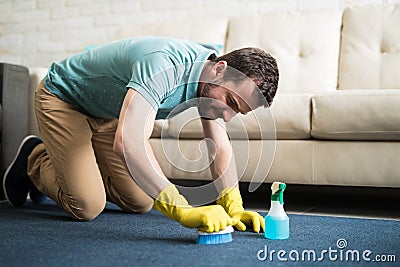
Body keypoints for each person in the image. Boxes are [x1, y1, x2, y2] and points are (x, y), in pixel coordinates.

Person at [3, 37, 279, 233]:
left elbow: (219, 146)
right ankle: (35, 159)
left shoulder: (209, 84)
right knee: (87, 205)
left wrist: (234, 205)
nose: (227, 116)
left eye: (238, 112)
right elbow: (128, 141)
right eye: (230, 102)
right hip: (64, 99)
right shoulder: (164, 65)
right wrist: (180, 209)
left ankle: (76, 164)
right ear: (219, 69)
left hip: (108, 113)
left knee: (141, 201)